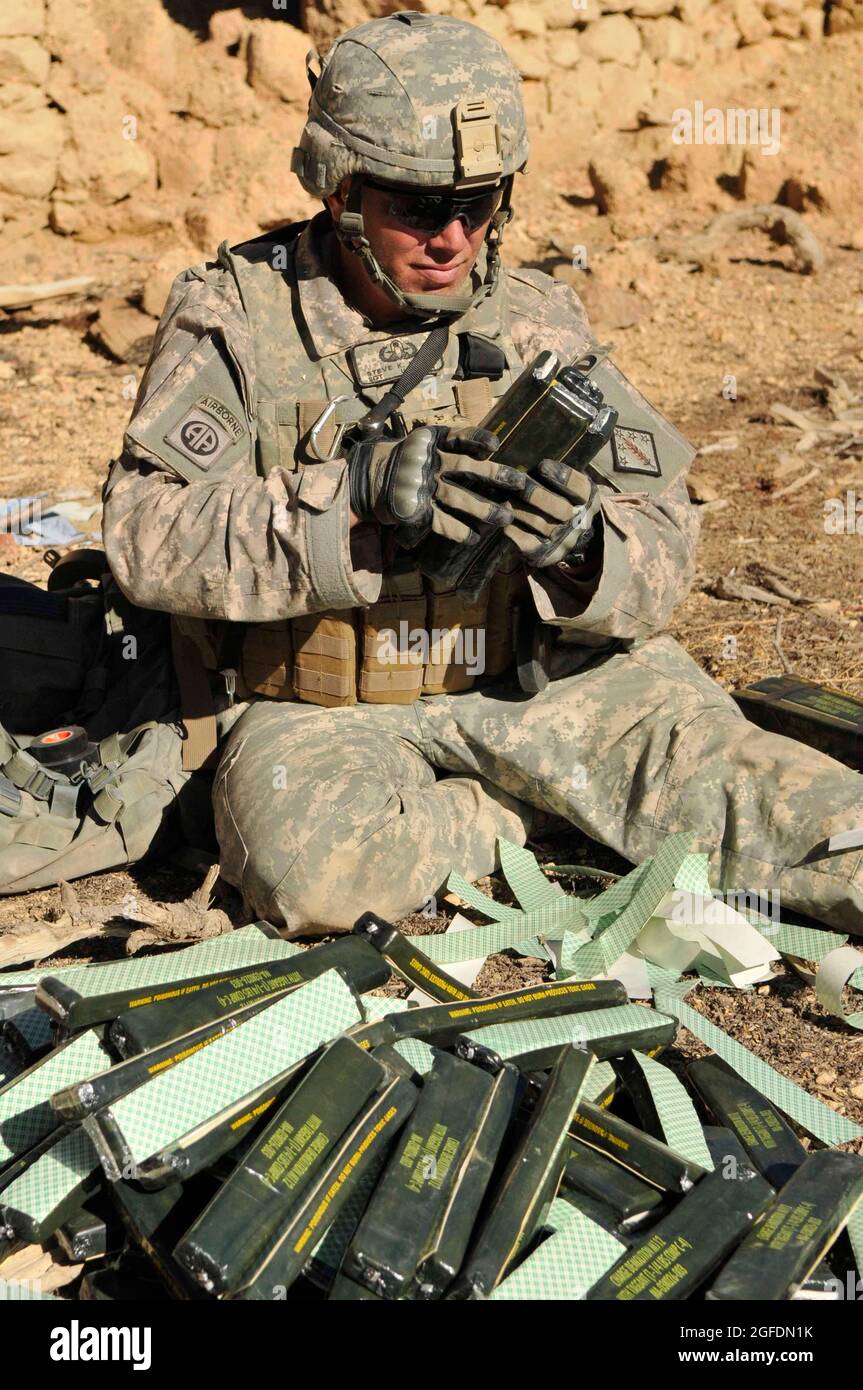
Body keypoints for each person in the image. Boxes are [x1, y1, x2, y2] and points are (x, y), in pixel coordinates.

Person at [100, 10, 862, 937]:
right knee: (322, 884)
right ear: (340, 190)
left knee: (818, 828)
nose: (454, 237)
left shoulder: (536, 315)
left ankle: (557, 798)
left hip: (536, 688)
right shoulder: (235, 319)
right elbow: (144, 537)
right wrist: (348, 501)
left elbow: (664, 545)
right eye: (418, 207)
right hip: (324, 709)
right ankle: (541, 815)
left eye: (481, 202)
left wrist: (583, 548)